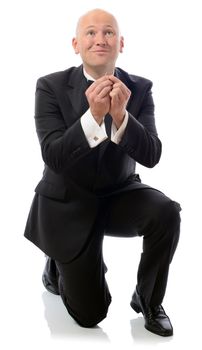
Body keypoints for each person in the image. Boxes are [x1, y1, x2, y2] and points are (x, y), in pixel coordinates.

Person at [24, 8, 181, 336]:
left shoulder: (140, 88)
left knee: (166, 211)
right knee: (90, 315)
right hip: (68, 202)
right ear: (76, 44)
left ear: (120, 43)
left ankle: (148, 300)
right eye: (91, 33)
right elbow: (54, 157)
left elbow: (152, 155)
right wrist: (93, 118)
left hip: (117, 195)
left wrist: (122, 117)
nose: (100, 39)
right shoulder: (50, 87)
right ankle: (57, 261)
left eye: (108, 32)